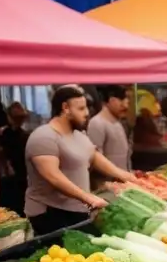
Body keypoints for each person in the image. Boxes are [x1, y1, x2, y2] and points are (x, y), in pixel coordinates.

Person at [24, 85, 134, 236]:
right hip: (50, 213)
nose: (87, 113)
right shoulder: (43, 137)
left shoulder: (79, 136)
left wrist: (127, 177)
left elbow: (94, 157)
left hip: (78, 211)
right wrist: (87, 197)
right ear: (65, 108)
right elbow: (53, 176)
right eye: (81, 109)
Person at [87, 86, 131, 172]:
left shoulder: (118, 123)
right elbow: (94, 160)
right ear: (110, 101)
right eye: (121, 102)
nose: (125, 106)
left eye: (127, 103)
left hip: (122, 180)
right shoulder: (97, 123)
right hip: (105, 182)